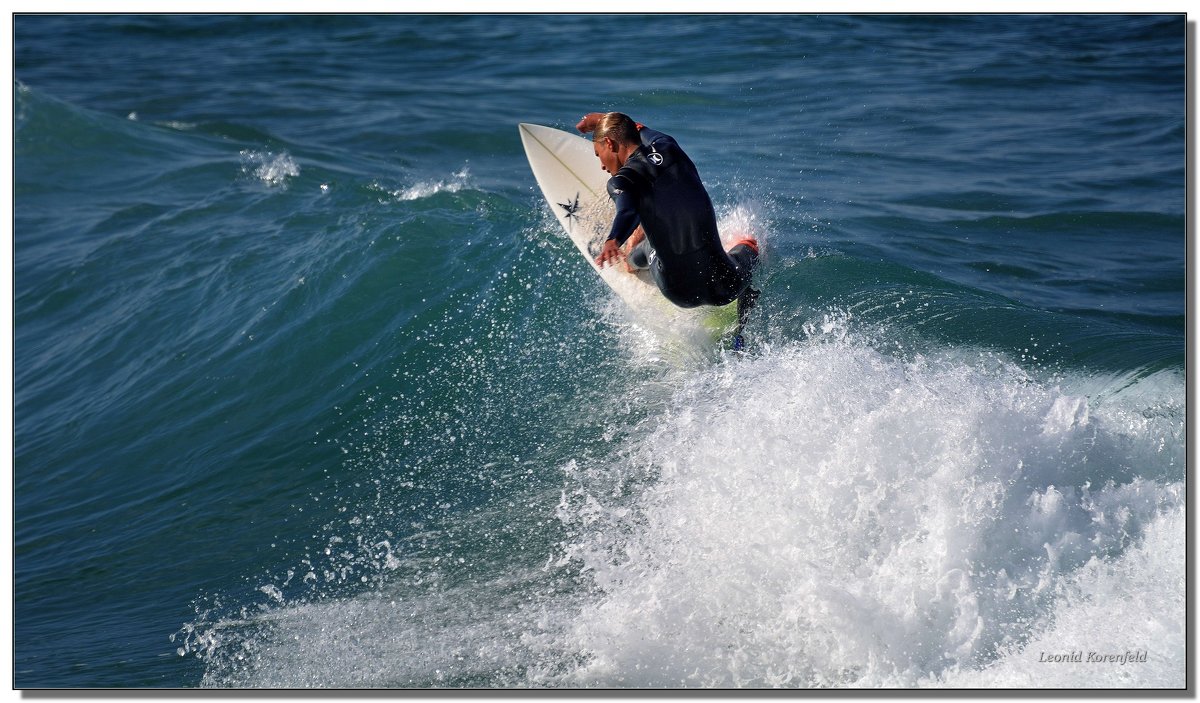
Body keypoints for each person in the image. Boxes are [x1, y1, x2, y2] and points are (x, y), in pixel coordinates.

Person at [576, 112, 760, 344]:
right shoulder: (668, 146)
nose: (602, 165)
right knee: (750, 244)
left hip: (680, 292)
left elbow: (627, 211)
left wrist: (614, 239)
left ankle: (631, 261)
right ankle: (742, 331)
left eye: (598, 154)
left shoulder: (622, 180)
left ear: (610, 143)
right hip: (726, 285)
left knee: (645, 247)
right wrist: (606, 118)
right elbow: (642, 130)